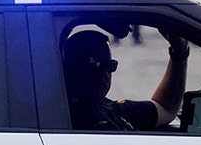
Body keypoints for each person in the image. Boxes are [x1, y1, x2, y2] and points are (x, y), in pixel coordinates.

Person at [62, 28, 190, 131]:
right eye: (94, 64)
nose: (103, 73)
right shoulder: (66, 117)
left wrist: (180, 54)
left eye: (109, 65)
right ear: (70, 66)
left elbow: (165, 109)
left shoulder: (109, 108)